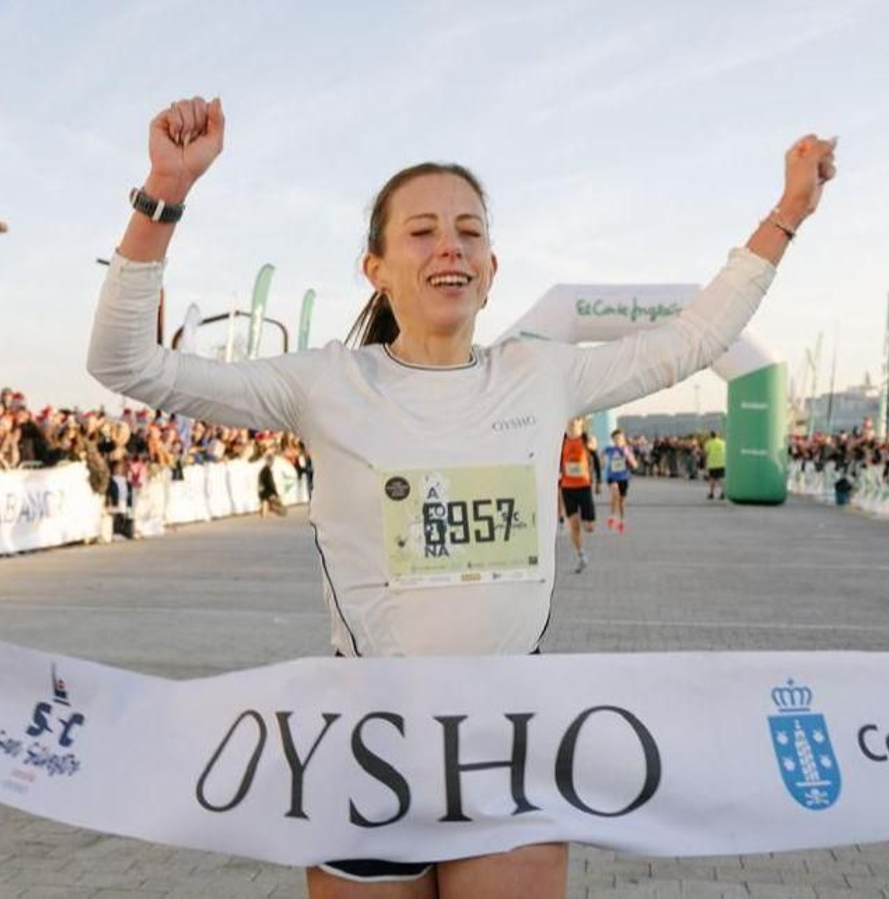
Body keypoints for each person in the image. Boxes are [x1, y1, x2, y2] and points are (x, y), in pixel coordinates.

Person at [86, 94, 834, 899]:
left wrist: (788, 212)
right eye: (422, 231)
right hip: (367, 738)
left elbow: (694, 338)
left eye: (469, 231)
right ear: (375, 269)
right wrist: (165, 192)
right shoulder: (326, 383)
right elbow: (126, 363)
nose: (451, 246)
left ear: (492, 269)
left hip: (510, 734)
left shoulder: (540, 373)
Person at [558, 417, 596, 573]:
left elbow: (596, 461)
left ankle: (582, 519)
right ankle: (581, 555)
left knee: (589, 528)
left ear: (581, 423)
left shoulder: (586, 439)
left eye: (577, 420)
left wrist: (599, 482)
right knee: (574, 525)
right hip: (567, 488)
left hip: (584, 487)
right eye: (571, 420)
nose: (573, 422)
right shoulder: (561, 441)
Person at [602, 428, 638, 533]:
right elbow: (602, 457)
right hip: (612, 477)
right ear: (613, 440)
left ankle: (622, 520)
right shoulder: (609, 449)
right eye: (616, 438)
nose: (618, 440)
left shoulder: (627, 450)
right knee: (615, 493)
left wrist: (627, 456)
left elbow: (635, 465)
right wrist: (602, 461)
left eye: (620, 438)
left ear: (623, 439)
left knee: (621, 501)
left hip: (623, 478)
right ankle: (612, 517)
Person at [704, 429, 727, 500]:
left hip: (712, 464)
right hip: (722, 463)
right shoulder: (723, 442)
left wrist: (705, 464)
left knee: (712, 479)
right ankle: (723, 493)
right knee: (722, 478)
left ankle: (711, 493)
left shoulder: (708, 443)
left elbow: (706, 453)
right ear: (717, 435)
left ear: (710, 435)